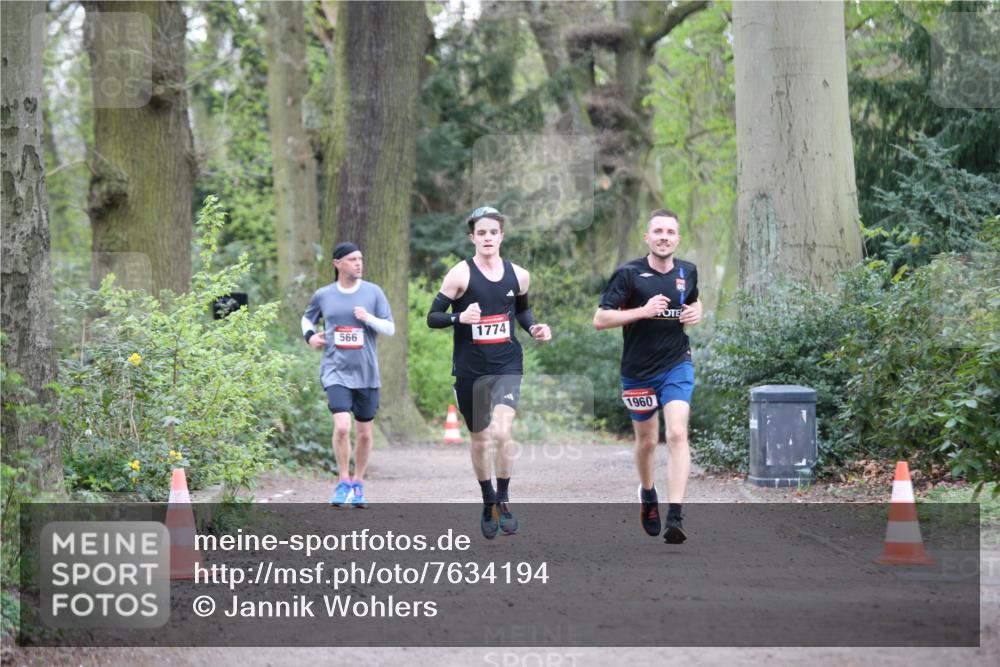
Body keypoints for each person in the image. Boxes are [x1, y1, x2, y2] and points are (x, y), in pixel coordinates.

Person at [427, 206, 551, 539]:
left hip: (507, 365)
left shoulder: (519, 275)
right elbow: (433, 317)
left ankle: (505, 499)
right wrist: (458, 318)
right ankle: (487, 499)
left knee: (501, 432)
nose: (487, 238)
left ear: (501, 237)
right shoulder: (459, 275)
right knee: (480, 439)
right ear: (472, 238)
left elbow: (523, 313)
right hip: (470, 370)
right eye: (481, 233)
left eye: (493, 233)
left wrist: (535, 328)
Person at [593, 209, 703, 543]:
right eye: (658, 231)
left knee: (677, 434)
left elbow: (692, 304)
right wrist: (642, 311)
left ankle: (676, 515)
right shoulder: (628, 274)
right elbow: (600, 319)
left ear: (678, 238)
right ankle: (648, 492)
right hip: (638, 370)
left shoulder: (689, 271)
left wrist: (698, 311)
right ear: (647, 237)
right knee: (645, 441)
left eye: (670, 232)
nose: (664, 237)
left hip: (676, 364)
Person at [302, 242, 395, 508]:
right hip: (335, 370)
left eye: (360, 258)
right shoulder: (324, 295)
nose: (358, 263)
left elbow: (389, 328)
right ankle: (343, 482)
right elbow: (307, 319)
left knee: (364, 433)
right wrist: (310, 337)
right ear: (337, 264)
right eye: (352, 259)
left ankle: (358, 483)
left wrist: (368, 318)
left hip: (366, 373)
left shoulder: (373, 292)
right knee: (342, 427)